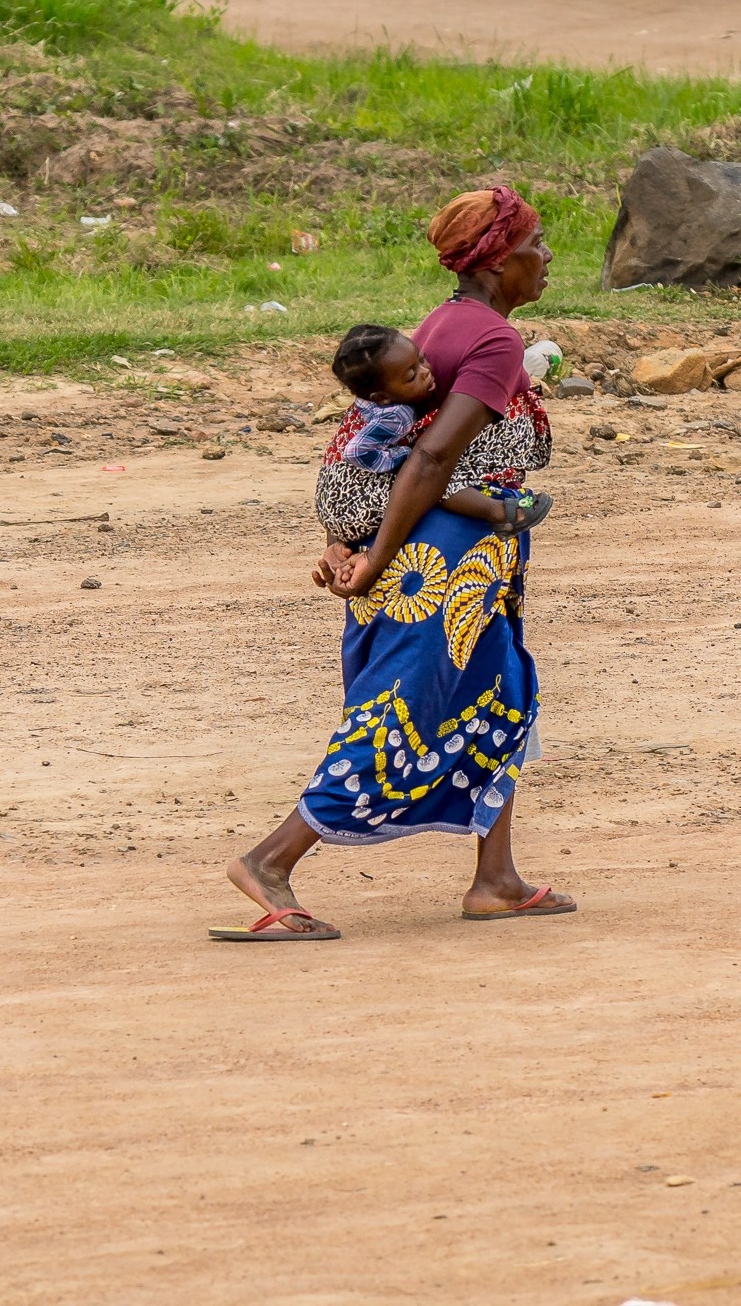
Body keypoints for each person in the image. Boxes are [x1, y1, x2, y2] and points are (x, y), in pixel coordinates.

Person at [213, 185, 575, 941]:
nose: (546, 258)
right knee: (398, 710)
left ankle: (496, 878)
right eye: (536, 245)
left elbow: (382, 445)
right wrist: (375, 558)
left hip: (452, 554)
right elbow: (434, 455)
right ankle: (270, 859)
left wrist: (353, 537)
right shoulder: (494, 340)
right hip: (438, 561)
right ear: (500, 260)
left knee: (497, 694)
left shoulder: (445, 323)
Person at [326, 322, 551, 539]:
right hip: (354, 501)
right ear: (382, 397)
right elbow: (356, 451)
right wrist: (402, 458)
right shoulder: (393, 416)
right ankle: (500, 513)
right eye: (412, 376)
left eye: (421, 360)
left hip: (342, 498)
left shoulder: (377, 401)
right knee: (432, 476)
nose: (425, 372)